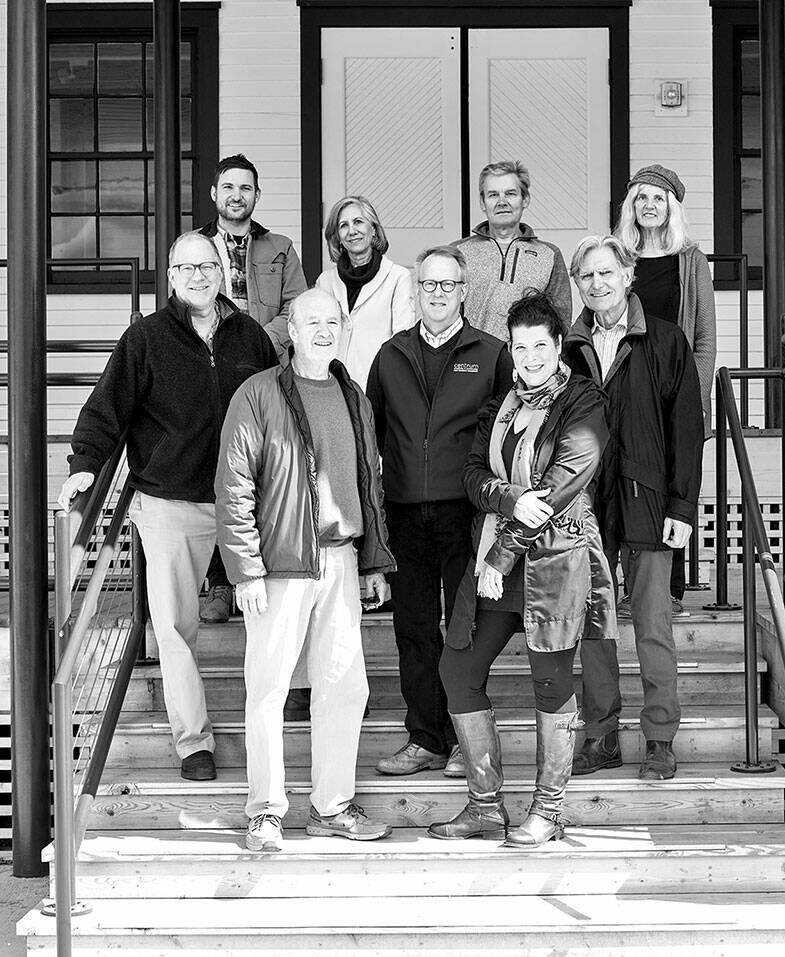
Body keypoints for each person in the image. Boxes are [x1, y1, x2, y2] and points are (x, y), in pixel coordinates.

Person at [57, 232, 277, 782]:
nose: (198, 276)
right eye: (186, 267)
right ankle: (193, 742)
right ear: (171, 276)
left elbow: (278, 407)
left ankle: (275, 724)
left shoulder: (251, 337)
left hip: (246, 501)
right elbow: (106, 408)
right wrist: (85, 462)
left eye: (207, 265)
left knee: (272, 619)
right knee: (176, 629)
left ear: (223, 269)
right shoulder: (146, 338)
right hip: (170, 501)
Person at [429, 289, 614, 848]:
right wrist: (507, 500)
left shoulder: (585, 402)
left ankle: (548, 811)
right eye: (520, 346)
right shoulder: (500, 406)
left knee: (551, 683)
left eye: (540, 345)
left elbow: (562, 484)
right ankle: (485, 807)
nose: (530, 356)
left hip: (555, 559)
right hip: (494, 559)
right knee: (457, 670)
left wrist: (504, 550)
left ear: (559, 346)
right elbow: (470, 475)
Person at [216, 288, 397, 851]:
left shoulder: (353, 395)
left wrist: (372, 561)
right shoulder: (259, 393)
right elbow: (234, 483)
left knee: (344, 686)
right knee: (268, 688)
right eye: (311, 321)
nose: (323, 329)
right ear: (289, 331)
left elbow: (368, 484)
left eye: (332, 320)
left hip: (341, 560)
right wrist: (244, 570)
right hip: (280, 565)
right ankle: (266, 812)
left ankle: (331, 806)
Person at [365, 246, 513, 777]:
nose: (437, 293)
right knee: (414, 628)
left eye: (447, 285)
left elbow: (509, 435)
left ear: (464, 291)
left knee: (463, 629)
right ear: (416, 291)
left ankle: (460, 739)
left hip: (466, 513)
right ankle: (423, 737)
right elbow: (371, 438)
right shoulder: (390, 355)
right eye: (428, 284)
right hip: (405, 512)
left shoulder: (492, 353)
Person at [562, 235, 703, 782]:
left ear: (628, 276)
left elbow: (687, 430)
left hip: (648, 501)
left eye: (606, 273)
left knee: (652, 626)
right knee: (593, 627)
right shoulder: (566, 349)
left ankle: (660, 737)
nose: (597, 284)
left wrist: (682, 505)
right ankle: (600, 736)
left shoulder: (665, 341)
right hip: (584, 506)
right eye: (586, 277)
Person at [197, 153, 308, 624]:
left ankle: (269, 571)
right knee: (222, 474)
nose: (236, 195)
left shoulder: (280, 247)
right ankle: (222, 583)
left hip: (268, 374)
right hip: (210, 374)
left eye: (246, 188)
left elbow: (295, 306)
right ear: (215, 194)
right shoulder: (194, 247)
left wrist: (255, 343)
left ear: (256, 196)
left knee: (271, 472)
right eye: (229, 187)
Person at [613, 163, 717, 619]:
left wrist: (694, 395)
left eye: (658, 198)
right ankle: (624, 583)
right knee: (624, 483)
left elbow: (706, 338)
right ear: (630, 207)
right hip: (626, 386)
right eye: (641, 198)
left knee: (675, 482)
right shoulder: (618, 258)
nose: (649, 206)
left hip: (675, 388)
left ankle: (669, 592)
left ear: (671, 207)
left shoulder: (690, 259)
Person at [453, 160, 573, 340]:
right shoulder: (458, 252)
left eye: (510, 194)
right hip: (473, 362)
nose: (502, 202)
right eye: (493, 195)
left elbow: (561, 320)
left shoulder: (549, 255)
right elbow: (445, 313)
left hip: (528, 362)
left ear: (525, 199)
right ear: (482, 202)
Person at [315, 194, 415, 390]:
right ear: (338, 238)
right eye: (343, 225)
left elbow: (402, 341)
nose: (352, 231)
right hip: (332, 388)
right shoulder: (325, 281)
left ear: (374, 230)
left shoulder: (397, 277)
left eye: (358, 222)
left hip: (378, 388)